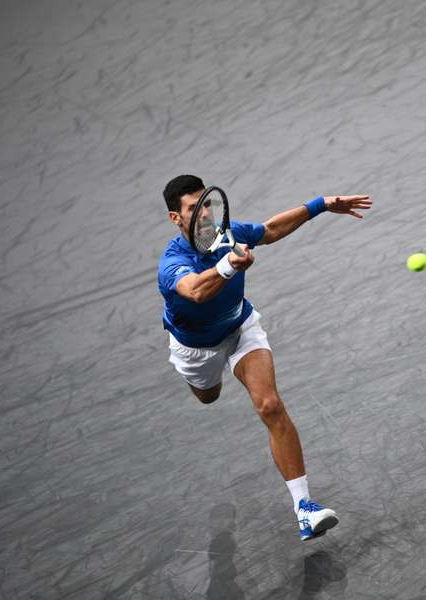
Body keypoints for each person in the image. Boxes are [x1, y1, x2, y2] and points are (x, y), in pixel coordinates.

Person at [157, 174, 371, 541]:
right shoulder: (173, 262)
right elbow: (194, 291)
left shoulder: (229, 232)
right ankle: (202, 380)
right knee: (208, 396)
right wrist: (229, 267)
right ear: (176, 219)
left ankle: (305, 509)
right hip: (197, 349)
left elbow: (270, 229)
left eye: (207, 203)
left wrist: (320, 205)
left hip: (241, 329)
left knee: (270, 405)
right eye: (194, 209)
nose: (205, 213)